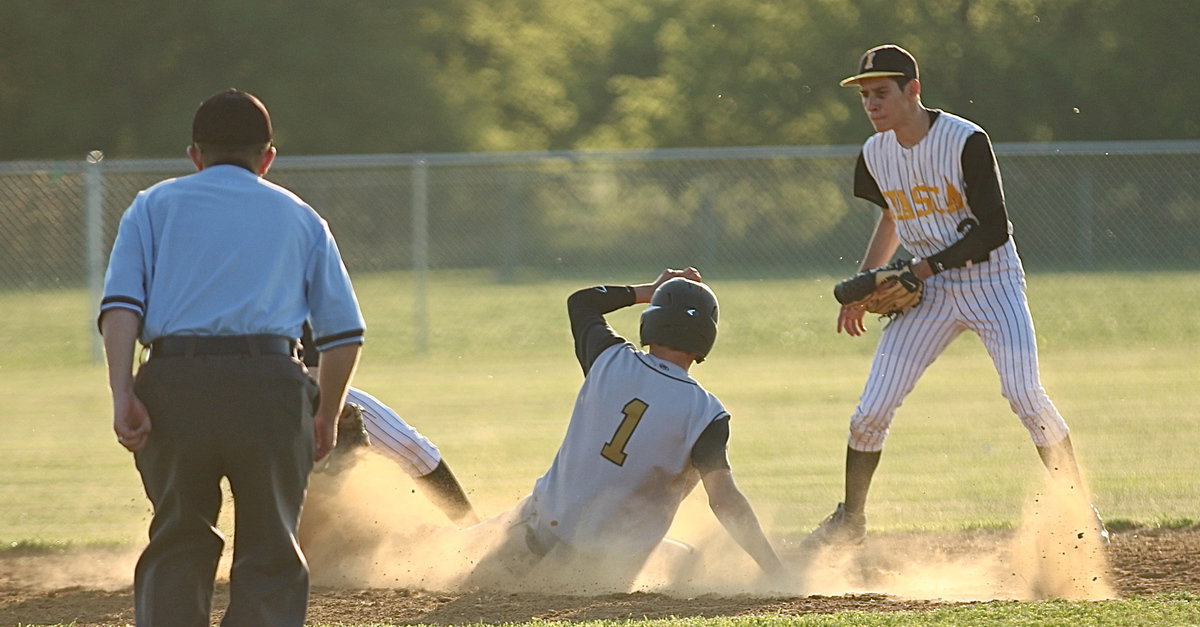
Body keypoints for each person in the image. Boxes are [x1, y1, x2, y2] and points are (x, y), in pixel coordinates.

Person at [99, 89, 365, 627]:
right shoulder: (299, 216)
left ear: (194, 156)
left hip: (174, 383)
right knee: (271, 546)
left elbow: (121, 310)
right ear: (267, 157)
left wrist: (122, 393)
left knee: (178, 540)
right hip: (271, 386)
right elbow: (343, 333)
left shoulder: (153, 206)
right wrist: (326, 414)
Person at [808, 45, 1107, 548]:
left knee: (1024, 394)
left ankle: (1080, 508)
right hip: (929, 290)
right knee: (870, 412)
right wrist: (863, 286)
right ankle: (851, 520)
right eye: (865, 96)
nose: (872, 104)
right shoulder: (875, 153)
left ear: (913, 90)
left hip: (991, 280)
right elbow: (890, 217)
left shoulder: (965, 139)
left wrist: (920, 266)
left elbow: (993, 229)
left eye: (881, 93)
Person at [467, 268, 788, 591]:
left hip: (538, 534)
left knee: (472, 591)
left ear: (653, 321)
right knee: (688, 561)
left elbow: (582, 302)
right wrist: (774, 570)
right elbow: (725, 499)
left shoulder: (609, 358)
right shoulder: (706, 413)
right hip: (607, 569)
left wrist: (649, 290)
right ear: (706, 338)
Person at [299, 323, 477, 526]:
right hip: (263, 395)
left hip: (305, 385)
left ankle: (471, 528)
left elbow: (316, 355)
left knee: (408, 444)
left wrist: (322, 400)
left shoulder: (290, 294)